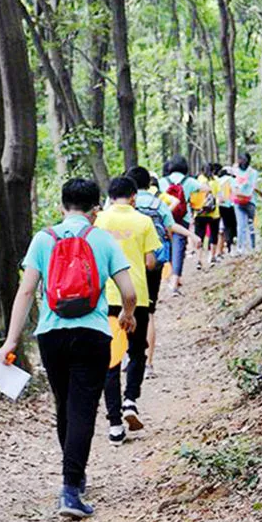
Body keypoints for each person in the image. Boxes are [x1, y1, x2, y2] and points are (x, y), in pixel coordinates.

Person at [0, 178, 137, 519]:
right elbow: (129, 292)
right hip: (92, 334)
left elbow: (26, 292)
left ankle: (73, 476)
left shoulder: (44, 239)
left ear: (61, 207)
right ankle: (71, 488)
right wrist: (129, 317)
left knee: (65, 404)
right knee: (83, 409)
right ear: (95, 210)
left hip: (51, 335)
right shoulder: (102, 238)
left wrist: (11, 341)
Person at [94, 176, 161, 446]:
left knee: (111, 360)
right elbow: (150, 261)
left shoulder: (99, 222)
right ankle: (130, 400)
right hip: (137, 297)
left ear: (111, 196)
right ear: (133, 197)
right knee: (137, 352)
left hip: (107, 297)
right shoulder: (143, 221)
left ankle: (114, 425)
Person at [126, 166, 199, 378]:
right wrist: (190, 235)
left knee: (126, 309)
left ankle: (129, 358)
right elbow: (170, 227)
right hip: (153, 264)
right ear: (149, 183)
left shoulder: (121, 205)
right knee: (148, 313)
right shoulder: (158, 203)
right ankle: (148, 364)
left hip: (127, 264)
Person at [158, 155, 206, 295]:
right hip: (182, 218)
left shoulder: (162, 181)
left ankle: (172, 276)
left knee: (169, 246)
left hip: (166, 217)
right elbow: (205, 188)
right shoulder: (189, 181)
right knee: (179, 249)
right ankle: (174, 282)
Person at [232, 153, 262, 253]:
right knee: (246, 225)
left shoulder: (237, 172)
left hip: (244, 200)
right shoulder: (252, 172)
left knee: (244, 225)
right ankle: (247, 247)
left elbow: (236, 185)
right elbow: (254, 186)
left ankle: (245, 247)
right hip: (247, 200)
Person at [193, 162, 221, 270]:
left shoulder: (198, 180)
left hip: (200, 212)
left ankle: (199, 260)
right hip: (214, 213)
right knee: (214, 234)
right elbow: (219, 196)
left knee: (199, 236)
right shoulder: (215, 180)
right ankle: (212, 257)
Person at [217, 164, 238, 257]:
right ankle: (233, 245)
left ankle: (228, 245)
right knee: (233, 225)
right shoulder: (231, 180)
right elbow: (234, 191)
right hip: (231, 205)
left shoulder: (218, 181)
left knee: (226, 226)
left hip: (221, 206)